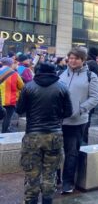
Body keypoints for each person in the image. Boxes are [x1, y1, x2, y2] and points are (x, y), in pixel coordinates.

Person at [16, 63, 73, 204]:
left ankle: (31, 201)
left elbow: (19, 109)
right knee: (50, 173)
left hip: (32, 135)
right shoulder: (62, 87)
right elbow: (68, 112)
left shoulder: (28, 86)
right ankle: (47, 200)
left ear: (38, 71)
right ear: (54, 72)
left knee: (31, 174)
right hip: (54, 135)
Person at [58, 47, 98, 194]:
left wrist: (81, 109)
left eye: (76, 58)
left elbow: (95, 97)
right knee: (56, 151)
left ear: (83, 60)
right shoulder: (62, 74)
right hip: (58, 121)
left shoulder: (91, 76)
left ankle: (67, 182)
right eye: (70, 58)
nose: (72, 60)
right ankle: (56, 178)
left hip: (77, 121)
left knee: (71, 152)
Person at [0, 57, 24, 133]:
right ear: (10, 64)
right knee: (7, 117)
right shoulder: (14, 74)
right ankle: (4, 132)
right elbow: (22, 86)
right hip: (10, 99)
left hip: (0, 99)